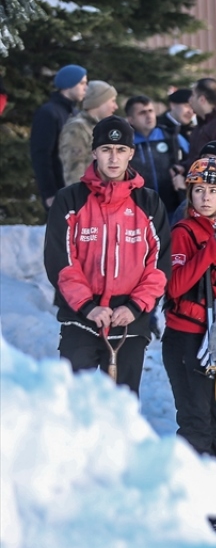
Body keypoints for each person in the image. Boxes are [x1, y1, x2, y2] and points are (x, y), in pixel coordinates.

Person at [43, 116, 170, 395]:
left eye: (121, 150)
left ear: (131, 154)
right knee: (77, 408)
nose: (113, 158)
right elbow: (60, 261)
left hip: (129, 323)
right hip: (81, 319)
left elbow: (159, 264)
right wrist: (88, 306)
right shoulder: (70, 199)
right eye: (106, 150)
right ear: (94, 153)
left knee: (122, 411)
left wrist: (136, 307)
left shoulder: (148, 202)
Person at [163, 157, 216, 465]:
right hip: (187, 339)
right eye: (199, 190)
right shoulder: (183, 231)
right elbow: (175, 285)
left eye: (213, 190)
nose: (205, 197)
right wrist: (209, 250)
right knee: (197, 422)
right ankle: (196, 498)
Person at [31, 64, 88, 209]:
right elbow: (42, 155)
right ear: (69, 84)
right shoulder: (48, 113)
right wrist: (49, 193)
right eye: (82, 83)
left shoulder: (76, 114)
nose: (85, 88)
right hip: (59, 192)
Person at [126, 95, 188, 216]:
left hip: (172, 209)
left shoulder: (171, 137)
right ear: (131, 119)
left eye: (151, 111)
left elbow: (192, 161)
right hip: (139, 211)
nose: (149, 116)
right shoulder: (127, 143)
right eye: (142, 113)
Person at [58, 81, 119, 188]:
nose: (116, 106)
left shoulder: (102, 128)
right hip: (88, 199)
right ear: (100, 102)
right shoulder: (77, 128)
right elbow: (74, 169)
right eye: (112, 101)